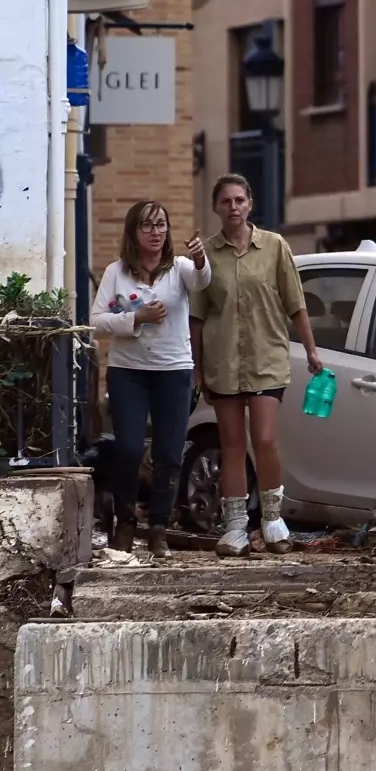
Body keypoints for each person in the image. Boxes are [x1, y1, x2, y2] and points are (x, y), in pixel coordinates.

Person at [189, 174, 323, 557]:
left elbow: (295, 302)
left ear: (250, 204)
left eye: (239, 200)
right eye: (225, 201)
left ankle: (273, 519)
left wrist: (312, 351)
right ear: (215, 208)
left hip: (267, 357)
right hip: (223, 360)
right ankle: (234, 527)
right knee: (231, 444)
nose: (233, 207)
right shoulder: (207, 256)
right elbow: (197, 318)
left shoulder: (275, 246)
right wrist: (198, 370)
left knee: (264, 439)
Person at [90, 201, 210, 556]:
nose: (156, 232)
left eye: (161, 225)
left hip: (173, 371)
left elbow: (202, 280)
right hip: (128, 372)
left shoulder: (181, 269)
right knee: (128, 448)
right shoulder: (116, 272)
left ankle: (159, 527)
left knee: (169, 451)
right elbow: (97, 320)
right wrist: (136, 317)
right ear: (133, 232)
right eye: (147, 225)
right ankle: (125, 523)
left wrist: (202, 259)